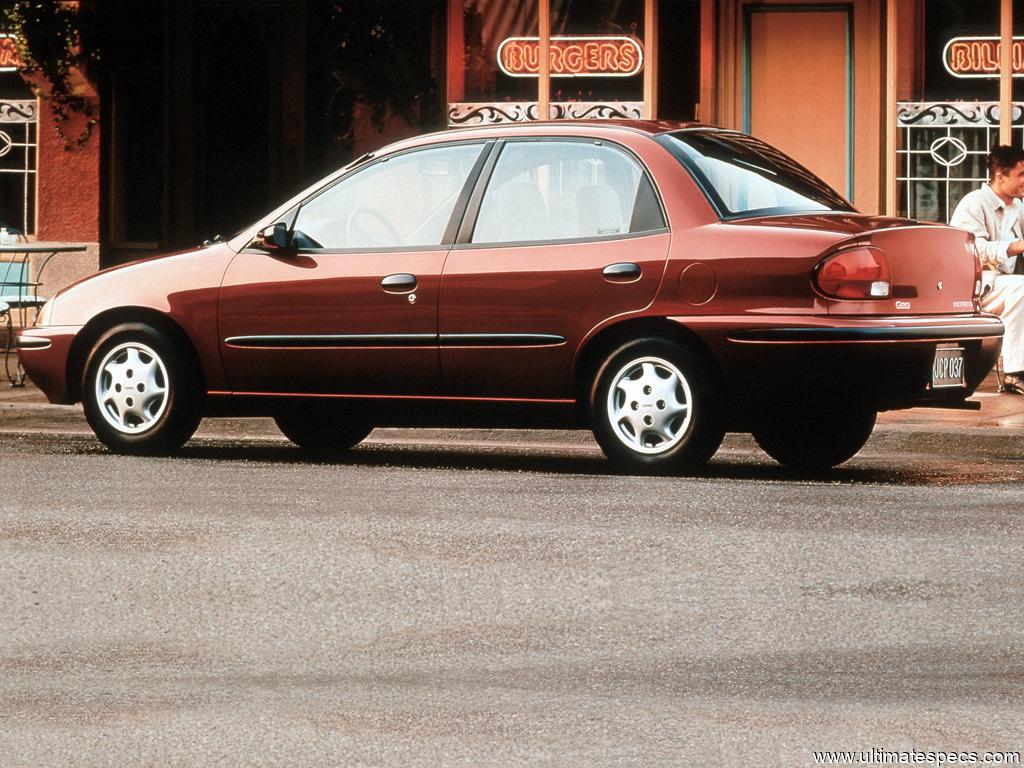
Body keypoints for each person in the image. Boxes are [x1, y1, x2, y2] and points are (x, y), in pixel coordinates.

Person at [950, 144, 1024, 394]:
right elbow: (972, 251)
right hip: (972, 287)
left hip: (1001, 285)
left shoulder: (1017, 207)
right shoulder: (974, 203)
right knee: (1021, 287)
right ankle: (1015, 372)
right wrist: (1015, 246)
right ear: (1000, 176)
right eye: (1021, 175)